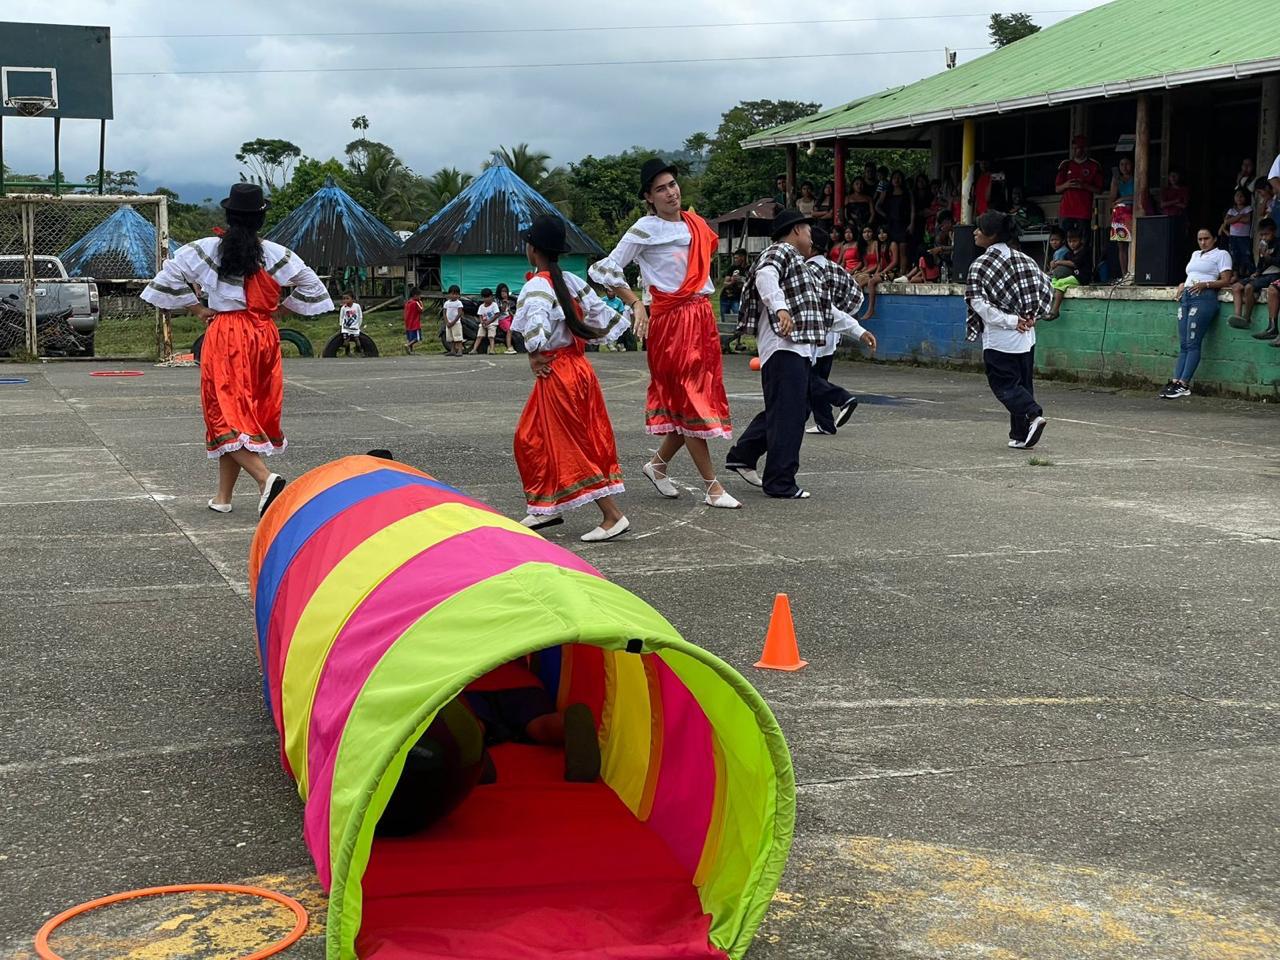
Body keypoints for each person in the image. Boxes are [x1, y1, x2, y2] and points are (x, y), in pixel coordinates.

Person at [140, 182, 332, 516]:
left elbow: (166, 278)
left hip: (227, 334)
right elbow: (312, 287)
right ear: (261, 218)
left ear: (228, 215)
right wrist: (282, 310)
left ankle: (264, 478)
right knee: (243, 413)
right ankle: (223, 497)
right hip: (264, 336)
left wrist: (197, 309)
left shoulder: (208, 249)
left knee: (223, 414)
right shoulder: (275, 253)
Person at [589, 158, 738, 509]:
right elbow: (603, 269)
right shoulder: (645, 228)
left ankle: (657, 465)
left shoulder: (694, 224)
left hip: (701, 317)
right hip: (671, 323)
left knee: (688, 403)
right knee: (691, 400)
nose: (671, 192)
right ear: (649, 197)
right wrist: (634, 302)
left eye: (672, 184)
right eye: (661, 189)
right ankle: (712, 486)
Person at [512, 214, 630, 541]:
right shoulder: (572, 282)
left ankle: (612, 515)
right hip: (576, 368)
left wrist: (534, 352)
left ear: (533, 249)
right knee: (531, 436)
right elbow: (603, 318)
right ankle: (545, 509)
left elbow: (534, 331)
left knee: (571, 444)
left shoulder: (538, 284)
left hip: (559, 372)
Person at [724, 210, 826, 499]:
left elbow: (821, 309)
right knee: (788, 416)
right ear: (795, 230)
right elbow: (765, 275)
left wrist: (857, 331)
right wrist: (780, 308)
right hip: (784, 348)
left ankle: (743, 454)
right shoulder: (781, 250)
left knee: (792, 410)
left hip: (797, 349)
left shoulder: (799, 264)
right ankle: (780, 482)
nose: (811, 235)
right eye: (808, 230)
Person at [964, 210, 1052, 449]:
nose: (975, 232)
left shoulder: (980, 265)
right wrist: (1032, 316)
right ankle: (1021, 434)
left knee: (1004, 385)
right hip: (1027, 336)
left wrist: (1012, 320)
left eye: (979, 228)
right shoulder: (1025, 259)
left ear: (992, 235)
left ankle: (1033, 414)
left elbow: (978, 304)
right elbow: (1046, 289)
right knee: (1023, 384)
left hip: (1000, 337)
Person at [804, 223, 877, 435]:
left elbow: (819, 306)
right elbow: (856, 298)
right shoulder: (835, 267)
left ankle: (842, 398)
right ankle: (825, 424)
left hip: (814, 331)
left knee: (807, 379)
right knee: (818, 379)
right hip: (833, 332)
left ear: (812, 246)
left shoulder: (808, 270)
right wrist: (843, 313)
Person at [1160, 228, 1233, 399]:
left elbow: (1226, 280)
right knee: (1184, 343)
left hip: (1203, 298)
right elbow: (1192, 274)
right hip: (1187, 296)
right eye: (1200, 239)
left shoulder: (1221, 254)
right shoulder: (1195, 254)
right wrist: (1182, 285)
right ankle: (1176, 380)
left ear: (1214, 239)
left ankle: (1184, 383)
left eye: (1206, 238)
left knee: (1193, 342)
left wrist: (1205, 285)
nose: (1203, 242)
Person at [1230, 218, 1279, 336]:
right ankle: (1238, 316)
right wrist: (1257, 272)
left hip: (1275, 275)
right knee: (1236, 286)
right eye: (1261, 235)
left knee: (1248, 287)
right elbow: (1261, 264)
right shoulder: (1263, 245)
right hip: (1263, 275)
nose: (1263, 237)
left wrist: (1267, 256)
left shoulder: (1278, 243)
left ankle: (1247, 319)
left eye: (1266, 234)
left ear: (1274, 232)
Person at [1055, 135, 1104, 240]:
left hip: (1083, 211)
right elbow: (1057, 189)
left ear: (1085, 148)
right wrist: (1067, 184)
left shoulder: (1093, 165)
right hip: (1066, 210)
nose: (1078, 150)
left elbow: (1099, 190)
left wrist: (1084, 185)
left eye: (1080, 148)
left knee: (1083, 241)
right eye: (1075, 148)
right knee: (1065, 240)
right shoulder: (1065, 165)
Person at [875, 171, 914, 283]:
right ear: (891, 180)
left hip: (903, 223)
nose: (897, 180)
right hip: (891, 223)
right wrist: (885, 215)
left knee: (903, 249)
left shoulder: (907, 192)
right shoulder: (887, 192)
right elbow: (877, 206)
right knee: (891, 247)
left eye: (899, 178)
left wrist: (912, 223)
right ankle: (891, 271)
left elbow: (912, 209)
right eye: (894, 178)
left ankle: (902, 273)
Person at [1045, 229, 1091, 321]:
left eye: (1075, 241)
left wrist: (1058, 262)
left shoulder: (1084, 252)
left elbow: (1074, 263)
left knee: (1061, 283)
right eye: (1070, 242)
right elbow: (1063, 265)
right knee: (1052, 281)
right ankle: (1045, 309)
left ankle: (1055, 311)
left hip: (1081, 278)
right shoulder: (1069, 254)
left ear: (1081, 241)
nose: (1072, 244)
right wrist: (1053, 264)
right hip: (1072, 276)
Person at [1107, 156, 1137, 282]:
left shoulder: (1137, 177)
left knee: (1133, 243)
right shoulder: (1117, 179)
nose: (1124, 167)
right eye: (1122, 164)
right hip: (1120, 213)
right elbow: (1112, 199)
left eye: (1127, 164)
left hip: (1133, 212)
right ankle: (1124, 274)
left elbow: (1139, 195)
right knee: (1121, 245)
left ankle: (1133, 272)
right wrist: (1121, 200)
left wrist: (1123, 199)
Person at [1219, 187, 1254, 278]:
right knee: (1234, 256)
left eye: (1241, 196)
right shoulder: (1231, 210)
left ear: (1246, 197)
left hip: (1244, 237)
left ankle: (1247, 273)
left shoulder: (1248, 208)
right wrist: (1240, 216)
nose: (1239, 198)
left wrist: (1233, 219)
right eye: (1237, 196)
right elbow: (1226, 221)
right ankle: (1235, 275)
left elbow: (1247, 219)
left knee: (1246, 254)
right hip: (1233, 237)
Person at [472, 287, 501, 355]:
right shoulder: (481, 306)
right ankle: (474, 349)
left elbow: (497, 314)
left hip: (492, 323)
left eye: (488, 297)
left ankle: (492, 349)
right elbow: (480, 315)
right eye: (485, 297)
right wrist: (482, 322)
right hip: (484, 324)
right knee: (479, 336)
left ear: (492, 297)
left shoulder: (494, 305)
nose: (487, 299)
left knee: (491, 336)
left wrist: (489, 322)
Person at [720, 250, 747, 320]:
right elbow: (725, 284)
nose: (735, 260)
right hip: (725, 297)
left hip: (737, 298)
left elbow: (750, 282)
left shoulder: (748, 269)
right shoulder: (732, 268)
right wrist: (732, 281)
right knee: (724, 320)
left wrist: (741, 280)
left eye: (736, 258)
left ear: (743, 257)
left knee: (738, 319)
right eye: (734, 258)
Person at [337, 291, 363, 355]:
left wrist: (359, 325)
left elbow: (360, 316)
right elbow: (341, 317)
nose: (345, 300)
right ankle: (347, 352)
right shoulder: (343, 308)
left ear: (352, 299)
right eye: (344, 298)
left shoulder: (357, 306)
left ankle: (359, 350)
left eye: (347, 298)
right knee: (346, 340)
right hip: (346, 327)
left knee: (357, 339)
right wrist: (341, 325)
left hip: (355, 327)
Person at [443, 284, 465, 356]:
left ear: (458, 295)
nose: (454, 296)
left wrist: (453, 322)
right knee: (451, 338)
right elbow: (444, 313)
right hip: (448, 323)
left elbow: (459, 313)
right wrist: (447, 322)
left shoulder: (459, 303)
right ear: (449, 294)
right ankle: (452, 350)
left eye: (456, 294)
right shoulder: (446, 303)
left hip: (456, 323)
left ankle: (460, 350)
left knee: (458, 337)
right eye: (452, 294)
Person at [495, 282, 517, 352]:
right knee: (509, 330)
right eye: (502, 291)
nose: (504, 293)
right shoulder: (497, 300)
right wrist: (504, 302)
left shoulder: (509, 300)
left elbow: (509, 310)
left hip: (509, 317)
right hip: (502, 319)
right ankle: (509, 346)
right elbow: (502, 310)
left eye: (505, 291)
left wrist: (514, 316)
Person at [403, 286, 423, 354]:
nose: (420, 297)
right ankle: (407, 345)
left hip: (408, 324)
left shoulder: (407, 303)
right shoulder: (416, 303)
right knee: (417, 338)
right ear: (415, 295)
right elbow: (421, 310)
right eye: (419, 295)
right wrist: (420, 302)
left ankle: (411, 351)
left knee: (410, 338)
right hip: (415, 324)